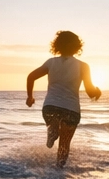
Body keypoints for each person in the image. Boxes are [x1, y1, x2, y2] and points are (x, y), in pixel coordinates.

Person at [25, 30, 101, 166]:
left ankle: (52, 132)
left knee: (53, 123)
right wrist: (97, 92)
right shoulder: (83, 66)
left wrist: (30, 97)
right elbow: (90, 92)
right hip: (71, 109)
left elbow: (31, 76)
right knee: (64, 144)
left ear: (57, 45)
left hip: (50, 106)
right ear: (77, 46)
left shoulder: (51, 62)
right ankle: (58, 173)